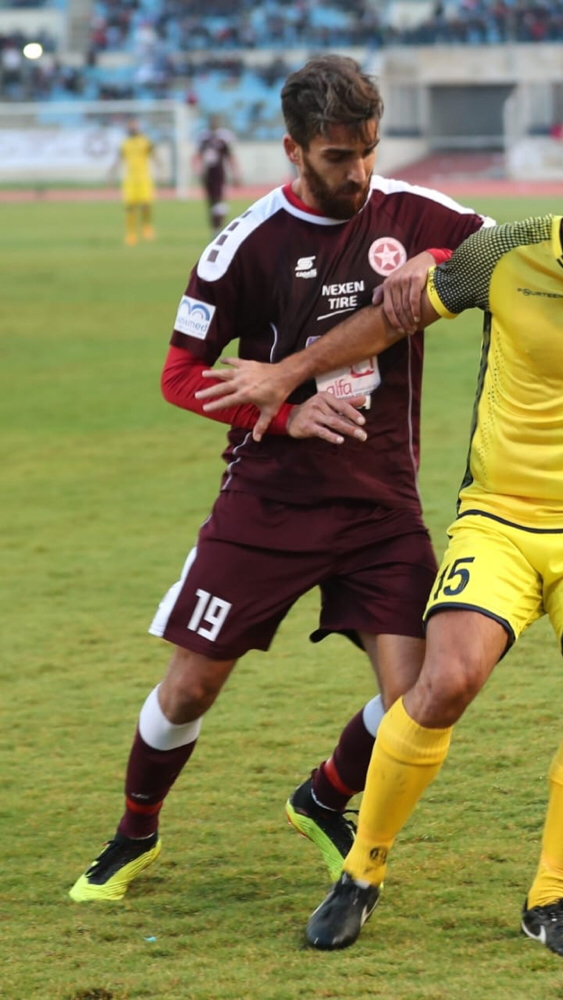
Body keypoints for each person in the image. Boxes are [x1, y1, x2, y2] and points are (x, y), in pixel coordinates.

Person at [197, 44, 563, 960]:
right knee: (444, 683)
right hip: (501, 519)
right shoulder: (501, 258)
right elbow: (386, 317)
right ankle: (360, 872)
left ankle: (549, 901)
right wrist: (285, 374)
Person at [69, 55, 491, 904]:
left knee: (418, 694)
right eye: (339, 157)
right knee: (191, 684)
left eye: (369, 149)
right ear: (294, 149)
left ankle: (325, 796)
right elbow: (180, 373)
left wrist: (437, 256)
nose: (360, 172)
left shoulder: (412, 212)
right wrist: (286, 412)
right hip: (269, 501)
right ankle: (134, 833)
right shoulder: (243, 247)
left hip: (381, 505)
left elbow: (499, 248)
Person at [193, 115, 242, 233]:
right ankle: (215, 228)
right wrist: (197, 169)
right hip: (208, 173)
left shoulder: (223, 138)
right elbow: (198, 155)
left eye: (216, 121)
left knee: (219, 200)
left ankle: (219, 227)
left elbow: (230, 156)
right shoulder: (204, 137)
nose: (214, 123)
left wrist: (235, 173)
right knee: (210, 202)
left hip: (220, 172)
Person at [112, 119, 156, 245]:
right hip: (130, 179)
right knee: (129, 207)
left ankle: (147, 227)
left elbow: (153, 154)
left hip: (143, 178)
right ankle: (130, 234)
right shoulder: (125, 143)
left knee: (146, 204)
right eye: (130, 125)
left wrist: (160, 166)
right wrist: (112, 173)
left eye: (134, 125)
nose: (132, 127)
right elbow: (119, 158)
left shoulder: (145, 141)